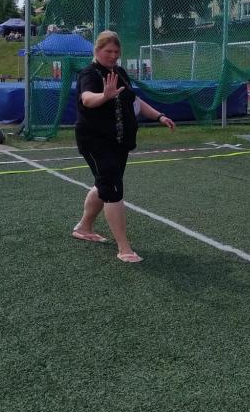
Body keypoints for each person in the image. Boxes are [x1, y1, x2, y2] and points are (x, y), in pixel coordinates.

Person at [73, 30, 176, 263]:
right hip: (95, 141)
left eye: (116, 51)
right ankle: (124, 247)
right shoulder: (89, 73)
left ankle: (84, 227)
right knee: (112, 188)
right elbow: (87, 98)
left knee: (104, 184)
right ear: (97, 50)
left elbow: (134, 101)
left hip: (119, 141)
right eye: (108, 51)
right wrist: (105, 96)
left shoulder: (119, 72)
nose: (113, 55)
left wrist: (159, 116)